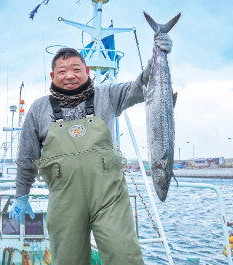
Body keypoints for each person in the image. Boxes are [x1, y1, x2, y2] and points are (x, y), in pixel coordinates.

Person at [10, 33, 173, 265]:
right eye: (62, 71)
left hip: (110, 199)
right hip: (64, 202)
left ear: (87, 72)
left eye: (76, 69)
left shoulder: (108, 95)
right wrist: (21, 195)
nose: (69, 76)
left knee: (124, 256)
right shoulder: (39, 109)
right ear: (52, 76)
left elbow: (142, 86)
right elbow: (26, 157)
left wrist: (158, 56)